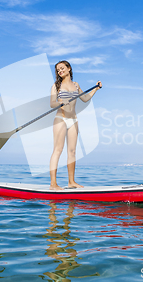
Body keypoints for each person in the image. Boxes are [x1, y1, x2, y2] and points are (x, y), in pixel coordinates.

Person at [49, 60, 102, 190]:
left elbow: (85, 99)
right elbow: (52, 103)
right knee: (58, 150)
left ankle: (71, 182)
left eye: (62, 68)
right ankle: (53, 184)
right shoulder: (56, 86)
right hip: (60, 119)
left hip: (73, 120)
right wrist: (60, 102)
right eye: (58, 70)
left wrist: (96, 88)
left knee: (72, 152)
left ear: (68, 68)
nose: (60, 71)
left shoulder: (76, 85)